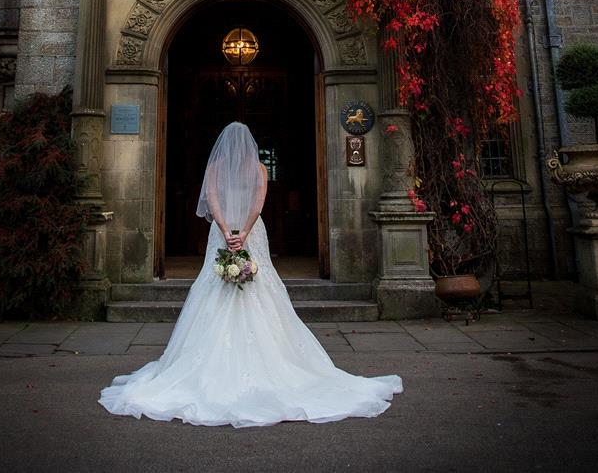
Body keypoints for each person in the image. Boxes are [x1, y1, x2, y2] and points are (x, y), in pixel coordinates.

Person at [98, 121, 402, 427]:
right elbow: (259, 205)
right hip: (250, 232)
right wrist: (243, 232)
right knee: (258, 282)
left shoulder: (215, 167)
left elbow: (212, 201)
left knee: (216, 283)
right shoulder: (259, 169)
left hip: (224, 232)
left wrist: (225, 229)